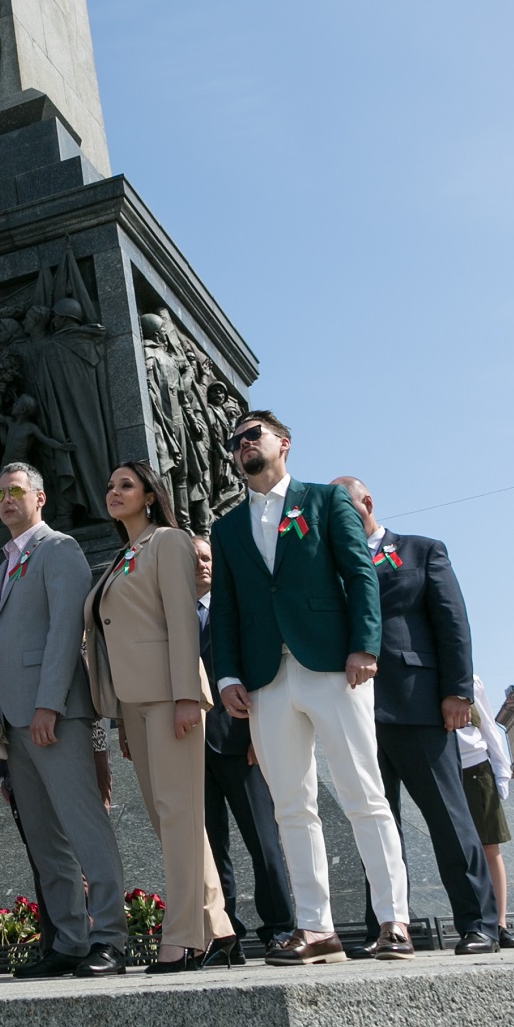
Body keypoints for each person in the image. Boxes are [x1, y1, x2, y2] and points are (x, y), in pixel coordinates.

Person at [207, 411, 409, 965]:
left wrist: (364, 646)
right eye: (235, 441)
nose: (243, 445)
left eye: (253, 435)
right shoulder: (225, 529)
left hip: (331, 668)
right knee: (292, 807)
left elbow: (359, 574)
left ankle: (394, 921)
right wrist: (226, 676)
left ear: (283, 444)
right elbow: (223, 607)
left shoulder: (323, 501)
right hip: (265, 680)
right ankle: (317, 928)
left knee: (363, 794)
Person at [333, 477, 499, 956]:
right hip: (356, 709)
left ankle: (478, 923)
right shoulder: (332, 565)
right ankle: (386, 927)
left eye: (343, 505)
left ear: (366, 502)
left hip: (419, 704)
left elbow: (453, 623)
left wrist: (456, 692)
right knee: (376, 824)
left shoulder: (420, 550)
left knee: (449, 819)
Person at [83, 461, 236, 970]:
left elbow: (181, 619)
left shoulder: (169, 541)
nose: (114, 492)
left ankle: (184, 936)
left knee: (178, 814)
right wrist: (123, 718)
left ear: (150, 495)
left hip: (172, 698)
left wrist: (188, 696)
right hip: (133, 703)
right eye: (110, 486)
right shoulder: (123, 556)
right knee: (169, 817)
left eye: (125, 485)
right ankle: (217, 926)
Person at [0, 463, 127, 978]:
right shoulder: (3, 566)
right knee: (46, 841)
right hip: (15, 724)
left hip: (55, 716)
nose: (5, 500)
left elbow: (67, 633)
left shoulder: (59, 550)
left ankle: (110, 937)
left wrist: (49, 704)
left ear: (40, 497)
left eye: (16, 491)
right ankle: (68, 940)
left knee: (85, 830)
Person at [192, 536, 297, 950]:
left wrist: (260, 730)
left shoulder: (235, 606)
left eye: (206, 557)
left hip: (241, 739)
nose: (200, 565)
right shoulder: (171, 618)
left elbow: (258, 667)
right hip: (191, 745)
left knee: (263, 840)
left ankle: (280, 928)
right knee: (211, 849)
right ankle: (226, 931)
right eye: (192, 559)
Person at [453, 674, 514, 947]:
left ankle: (499, 924)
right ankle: (473, 924)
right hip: (440, 766)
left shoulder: (470, 679)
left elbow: (489, 725)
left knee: (489, 847)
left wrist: (502, 771)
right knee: (457, 852)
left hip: (475, 765)